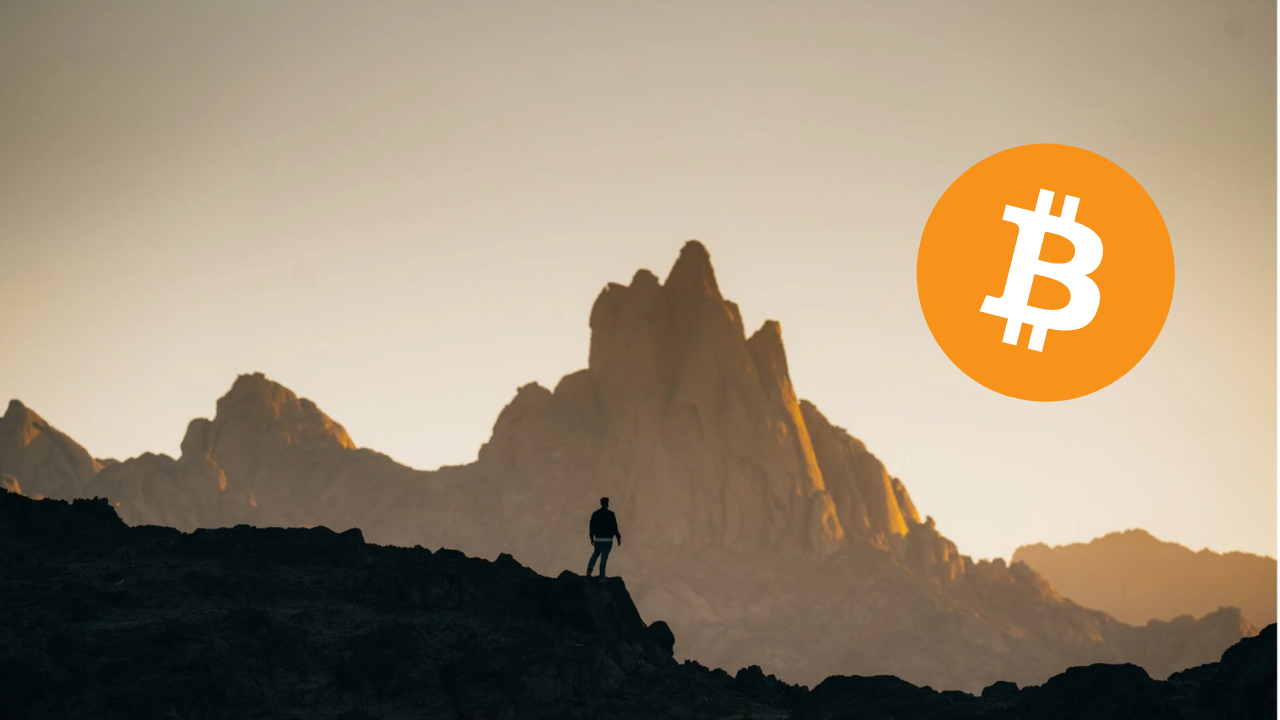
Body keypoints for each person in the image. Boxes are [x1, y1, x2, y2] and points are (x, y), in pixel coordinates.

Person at [586, 497, 622, 579]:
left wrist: (591, 537)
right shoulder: (611, 514)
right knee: (604, 558)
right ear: (607, 504)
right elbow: (614, 527)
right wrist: (618, 537)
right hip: (607, 540)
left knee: (595, 554)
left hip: (598, 539)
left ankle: (589, 570)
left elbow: (591, 526)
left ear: (601, 503)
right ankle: (602, 576)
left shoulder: (595, 514)